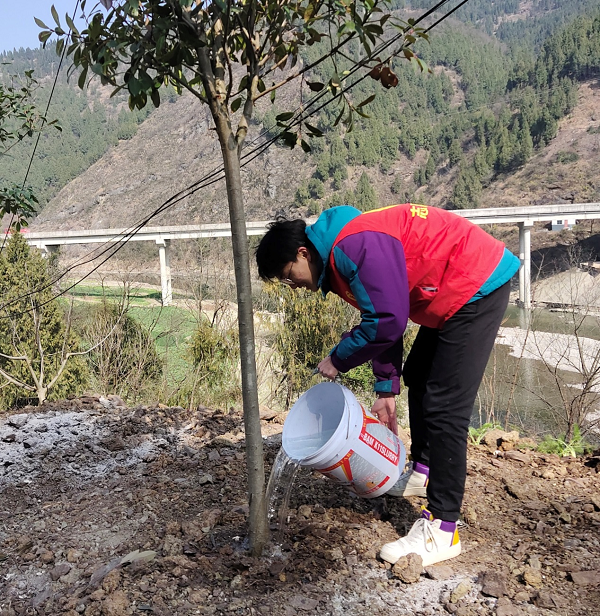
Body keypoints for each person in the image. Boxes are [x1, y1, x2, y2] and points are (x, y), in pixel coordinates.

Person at [256, 203, 519, 567]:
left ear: (303, 253)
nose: (294, 286)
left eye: (289, 276)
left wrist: (338, 359)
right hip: (451, 287)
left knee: (445, 407)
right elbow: (382, 315)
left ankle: (443, 529)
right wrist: (385, 388)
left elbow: (387, 322)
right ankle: (423, 473)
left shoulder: (353, 246)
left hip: (474, 280)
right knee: (419, 376)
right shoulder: (341, 252)